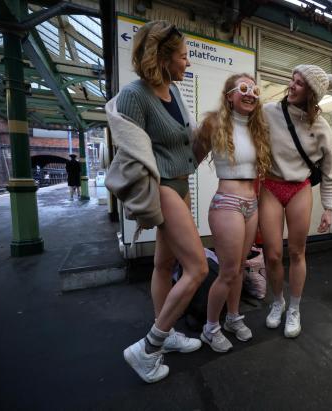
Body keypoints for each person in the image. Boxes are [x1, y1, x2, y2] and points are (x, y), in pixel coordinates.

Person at [105, 21, 208, 383]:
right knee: (197, 269)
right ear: (161, 58)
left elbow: (184, 142)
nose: (188, 62)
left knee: (164, 265)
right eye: (183, 56)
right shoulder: (135, 95)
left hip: (181, 185)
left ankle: (166, 333)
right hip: (162, 187)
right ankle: (148, 347)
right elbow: (131, 156)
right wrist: (142, 208)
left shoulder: (174, 91)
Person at [195, 74, 271, 352]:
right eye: (243, 88)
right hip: (227, 202)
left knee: (239, 267)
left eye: (254, 89)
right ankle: (210, 328)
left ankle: (233, 318)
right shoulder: (214, 123)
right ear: (229, 95)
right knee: (227, 271)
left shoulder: (257, 128)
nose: (250, 93)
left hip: (251, 205)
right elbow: (190, 160)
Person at [260, 65, 332, 338]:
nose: (292, 86)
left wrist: (328, 208)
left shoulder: (321, 127)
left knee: (296, 252)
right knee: (272, 253)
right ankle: (277, 301)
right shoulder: (269, 112)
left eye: (300, 84)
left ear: (312, 94)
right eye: (292, 80)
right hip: (270, 185)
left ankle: (294, 308)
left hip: (299, 188)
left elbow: (329, 172)